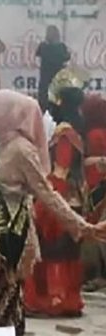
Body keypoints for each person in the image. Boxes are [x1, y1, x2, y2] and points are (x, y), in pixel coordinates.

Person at [0, 90, 106, 335]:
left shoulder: (22, 150)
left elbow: (48, 194)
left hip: (11, 239)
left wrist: (83, 226)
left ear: (9, 114)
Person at [24, 86, 86, 317]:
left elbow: (60, 171)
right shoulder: (77, 132)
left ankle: (54, 299)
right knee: (67, 252)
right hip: (74, 200)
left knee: (53, 252)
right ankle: (67, 298)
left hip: (60, 200)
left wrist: (44, 201)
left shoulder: (64, 135)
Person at [82, 94, 106, 291]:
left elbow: (90, 162)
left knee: (93, 230)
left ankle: (97, 274)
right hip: (102, 185)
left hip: (95, 187)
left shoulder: (93, 134)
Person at [36, 25, 71, 113]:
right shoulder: (61, 47)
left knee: (44, 105)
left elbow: (37, 55)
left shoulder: (43, 46)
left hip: (45, 80)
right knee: (58, 106)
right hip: (58, 81)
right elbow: (67, 58)